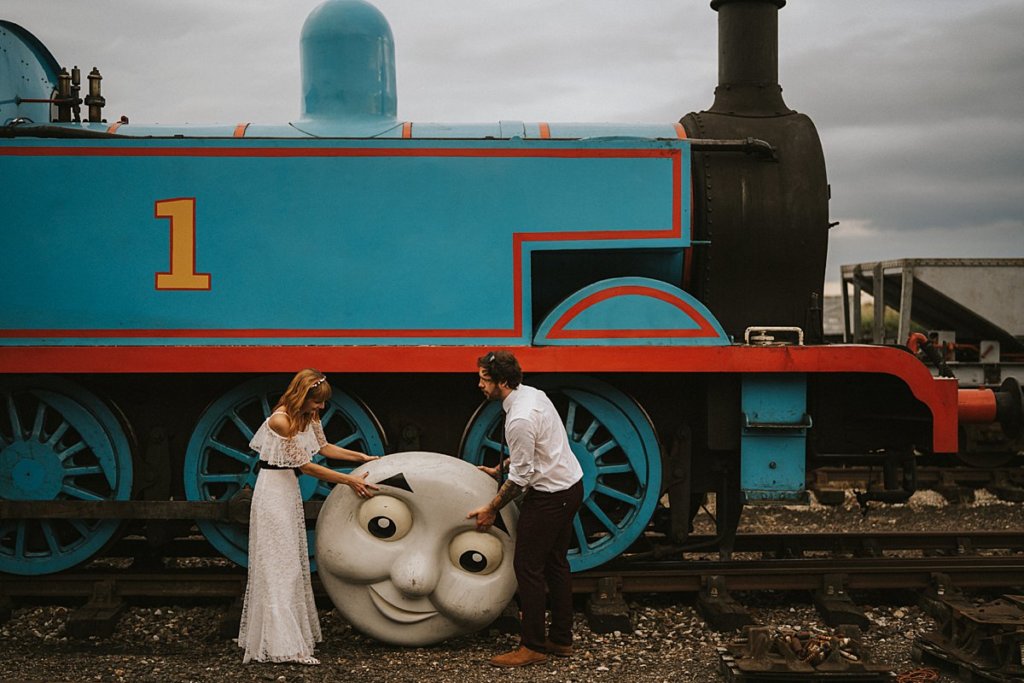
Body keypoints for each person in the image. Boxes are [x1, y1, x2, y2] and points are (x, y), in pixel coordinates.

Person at [238, 368, 379, 665]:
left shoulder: (307, 416)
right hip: (272, 492)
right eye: (317, 402)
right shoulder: (281, 420)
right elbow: (307, 467)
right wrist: (351, 480)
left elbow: (323, 448)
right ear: (302, 396)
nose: (321, 408)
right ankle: (282, 645)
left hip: (287, 491)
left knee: (289, 563)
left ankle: (286, 639)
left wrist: (361, 458)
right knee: (280, 565)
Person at [467, 350, 584, 668]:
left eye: (484, 379)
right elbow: (532, 452)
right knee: (557, 564)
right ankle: (561, 639)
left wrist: (491, 508)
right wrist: (498, 468)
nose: (479, 384)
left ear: (502, 382)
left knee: (528, 568)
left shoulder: (519, 418)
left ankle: (532, 645)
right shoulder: (532, 395)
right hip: (570, 487)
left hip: (549, 497)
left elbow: (520, 480)